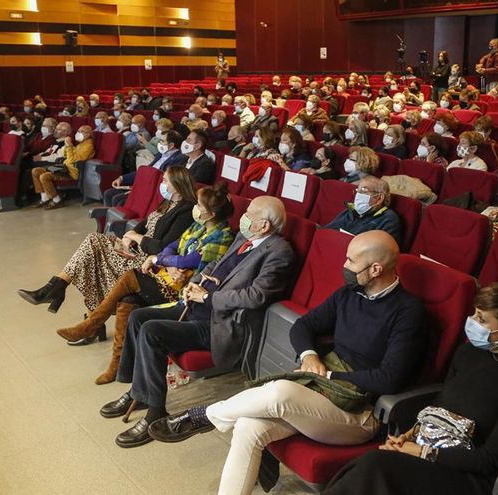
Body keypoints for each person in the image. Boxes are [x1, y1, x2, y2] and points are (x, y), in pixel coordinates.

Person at [150, 231, 428, 495]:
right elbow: (303, 326)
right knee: (248, 426)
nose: (344, 265)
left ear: (376, 269)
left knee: (280, 391)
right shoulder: (349, 294)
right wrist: (309, 355)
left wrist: (328, 376)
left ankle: (204, 415)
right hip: (318, 395)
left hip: (359, 412)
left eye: (351, 261)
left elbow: (390, 378)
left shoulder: (408, 312)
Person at [99, 196, 296, 448]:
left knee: (151, 331)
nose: (243, 217)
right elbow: (217, 264)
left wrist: (208, 297)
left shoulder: (279, 252)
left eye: (249, 214)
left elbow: (255, 296)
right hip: (198, 307)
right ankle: (139, 392)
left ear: (264, 225)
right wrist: (199, 281)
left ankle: (155, 412)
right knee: (138, 317)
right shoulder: (245, 238)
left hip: (221, 323)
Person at [324, 281, 498, 495]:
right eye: (474, 313)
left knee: (376, 465)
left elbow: (487, 460)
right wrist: (408, 436)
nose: (472, 321)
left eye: (481, 319)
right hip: (431, 450)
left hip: (468, 475)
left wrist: (422, 452)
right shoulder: (467, 353)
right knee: (368, 466)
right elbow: (439, 407)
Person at [57, 182, 234, 383]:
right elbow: (171, 247)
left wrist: (159, 259)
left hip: (180, 290)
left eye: (199, 207)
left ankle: (92, 323)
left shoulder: (223, 237)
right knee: (128, 300)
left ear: (210, 214)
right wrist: (166, 259)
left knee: (131, 276)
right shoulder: (197, 226)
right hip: (166, 278)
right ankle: (117, 363)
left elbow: (189, 260)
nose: (196, 208)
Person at [18, 166, 199, 318]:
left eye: (165, 181)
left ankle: (58, 290)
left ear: (177, 184)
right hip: (136, 251)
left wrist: (135, 238)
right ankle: (62, 293)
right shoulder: (166, 203)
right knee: (92, 250)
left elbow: (161, 247)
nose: (162, 184)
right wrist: (130, 236)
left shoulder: (186, 209)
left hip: (148, 265)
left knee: (93, 248)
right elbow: (144, 224)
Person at [30, 125, 95, 210]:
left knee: (44, 176)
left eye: (81, 131)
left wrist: (69, 146)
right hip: (64, 167)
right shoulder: (81, 144)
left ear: (88, 134)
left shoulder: (88, 146)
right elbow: (68, 155)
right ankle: (44, 198)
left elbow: (73, 160)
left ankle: (57, 200)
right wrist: (66, 148)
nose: (78, 133)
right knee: (36, 171)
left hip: (71, 172)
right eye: (78, 131)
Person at [323, 176, 402, 244]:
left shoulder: (388, 219)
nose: (358, 195)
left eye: (364, 191)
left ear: (379, 198)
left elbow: (381, 251)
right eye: (357, 191)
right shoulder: (351, 210)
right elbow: (327, 230)